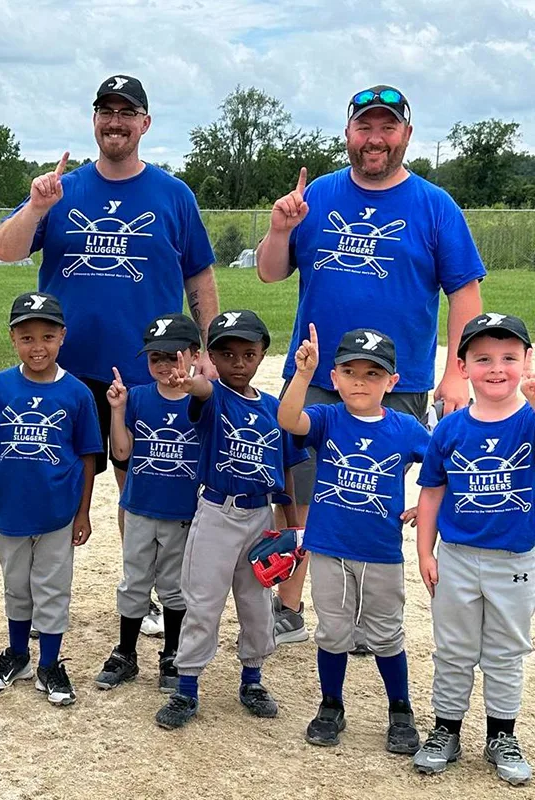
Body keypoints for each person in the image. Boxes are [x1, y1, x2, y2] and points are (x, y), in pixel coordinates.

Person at [256, 85, 485, 646]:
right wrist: (281, 228)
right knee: (302, 493)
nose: (374, 138)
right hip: (318, 373)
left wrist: (457, 371)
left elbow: (465, 291)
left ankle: (362, 616)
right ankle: (289, 606)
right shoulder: (320, 195)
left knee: (367, 495)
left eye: (387, 127)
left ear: (406, 134)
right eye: (364, 127)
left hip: (396, 379)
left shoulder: (434, 205)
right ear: (348, 133)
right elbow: (268, 272)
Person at [0, 76, 219, 639]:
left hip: (145, 370)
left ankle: (139, 591)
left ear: (145, 123)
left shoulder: (174, 195)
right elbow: (6, 249)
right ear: (94, 120)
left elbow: (200, 275)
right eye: (105, 111)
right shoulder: (61, 188)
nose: (115, 121)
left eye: (127, 112)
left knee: (139, 486)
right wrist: (37, 207)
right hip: (65, 372)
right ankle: (41, 598)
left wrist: (207, 349)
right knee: (53, 473)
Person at [277, 326, 429, 753]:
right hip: (331, 548)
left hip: (380, 551)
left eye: (373, 373)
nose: (360, 381)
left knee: (385, 634)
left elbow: (443, 466)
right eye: (350, 371)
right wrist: (302, 377)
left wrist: (426, 506)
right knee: (334, 631)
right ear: (336, 376)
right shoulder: (328, 418)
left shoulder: (404, 427)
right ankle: (331, 704)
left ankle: (400, 708)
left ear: (392, 382)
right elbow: (289, 420)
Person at [154, 310, 307, 730]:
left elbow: (287, 470)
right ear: (211, 357)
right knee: (203, 601)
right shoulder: (214, 397)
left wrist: (291, 526)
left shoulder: (277, 410)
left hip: (259, 515)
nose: (238, 362)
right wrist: (192, 381)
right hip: (218, 513)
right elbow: (201, 391)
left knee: (256, 604)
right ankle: (186, 688)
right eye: (226, 353)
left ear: (261, 356)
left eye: (248, 353)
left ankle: (253, 680)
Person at [412, 313, 535, 786]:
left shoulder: (529, 421)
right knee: (454, 650)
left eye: (509, 357)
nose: (496, 368)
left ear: (527, 362)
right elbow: (432, 492)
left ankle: (502, 733)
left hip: (515, 560)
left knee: (505, 652)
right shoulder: (450, 429)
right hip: (459, 558)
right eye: (482, 358)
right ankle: (446, 728)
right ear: (462, 366)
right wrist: (426, 552)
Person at [0, 291, 102, 706]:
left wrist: (83, 513)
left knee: (53, 588)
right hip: (10, 507)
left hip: (58, 511)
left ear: (62, 337)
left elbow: (88, 456)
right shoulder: (2, 386)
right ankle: (19, 654)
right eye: (26, 338)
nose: (36, 347)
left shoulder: (77, 393)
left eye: (46, 336)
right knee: (17, 586)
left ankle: (50, 662)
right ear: (12, 339)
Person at [95, 313, 201, 694]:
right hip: (140, 505)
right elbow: (122, 452)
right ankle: (126, 652)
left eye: (173, 356)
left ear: (193, 355)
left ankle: (172, 653)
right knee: (135, 581)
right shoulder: (139, 396)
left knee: (174, 586)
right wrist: (118, 409)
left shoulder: (202, 401)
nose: (163, 365)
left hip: (181, 511)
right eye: (155, 358)